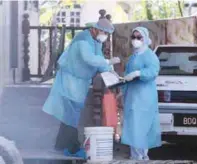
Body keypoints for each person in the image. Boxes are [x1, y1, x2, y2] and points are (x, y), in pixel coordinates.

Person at [42, 18, 120, 157]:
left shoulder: (95, 41)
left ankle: (60, 146)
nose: (105, 36)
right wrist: (107, 61)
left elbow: (99, 60)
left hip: (78, 83)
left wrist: (109, 69)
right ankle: (73, 148)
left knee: (69, 115)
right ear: (95, 29)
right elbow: (88, 58)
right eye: (104, 32)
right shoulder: (83, 39)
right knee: (70, 115)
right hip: (70, 81)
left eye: (107, 34)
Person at [120, 27, 162, 160]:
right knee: (133, 128)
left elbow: (153, 71)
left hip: (144, 98)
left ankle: (141, 158)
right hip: (132, 97)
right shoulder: (133, 57)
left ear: (145, 39)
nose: (136, 40)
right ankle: (136, 157)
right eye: (134, 37)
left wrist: (139, 73)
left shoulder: (149, 55)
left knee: (141, 128)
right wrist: (121, 89)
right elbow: (127, 76)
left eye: (139, 37)